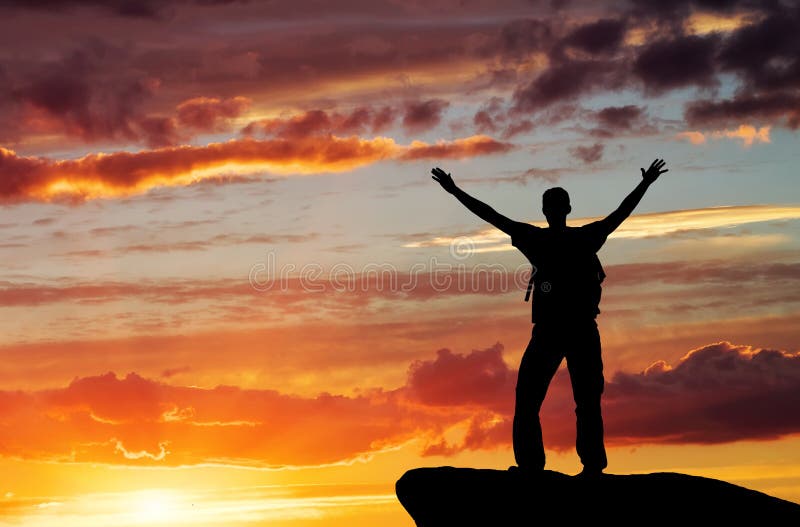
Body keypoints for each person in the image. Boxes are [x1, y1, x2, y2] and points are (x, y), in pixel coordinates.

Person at [431, 159, 668, 476]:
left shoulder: (539, 239)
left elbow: (492, 216)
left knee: (538, 400)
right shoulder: (585, 237)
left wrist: (454, 191)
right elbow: (621, 214)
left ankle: (539, 467)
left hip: (556, 331)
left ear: (547, 210)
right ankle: (586, 467)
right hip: (575, 329)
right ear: (568, 208)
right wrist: (645, 184)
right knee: (579, 401)